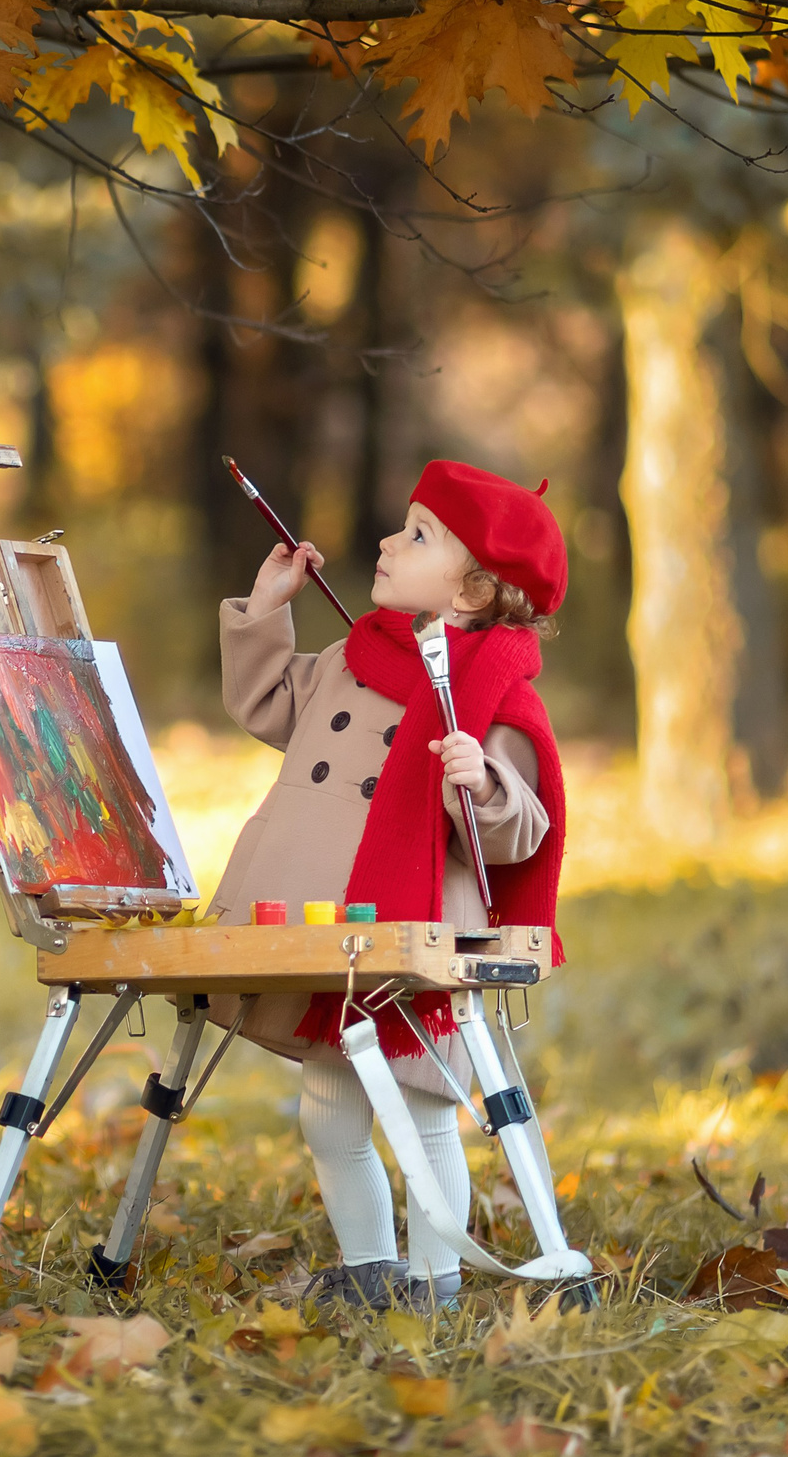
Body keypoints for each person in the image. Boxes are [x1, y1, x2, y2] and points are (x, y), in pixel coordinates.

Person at [212, 460, 569, 1311]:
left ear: (475, 589)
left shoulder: (491, 694)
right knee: (328, 1112)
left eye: (417, 535)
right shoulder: (353, 654)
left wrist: (481, 783)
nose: (386, 539)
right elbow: (265, 702)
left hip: (412, 933)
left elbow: (526, 828)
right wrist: (269, 607)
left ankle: (435, 1278)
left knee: (421, 1110)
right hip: (330, 927)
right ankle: (372, 1267)